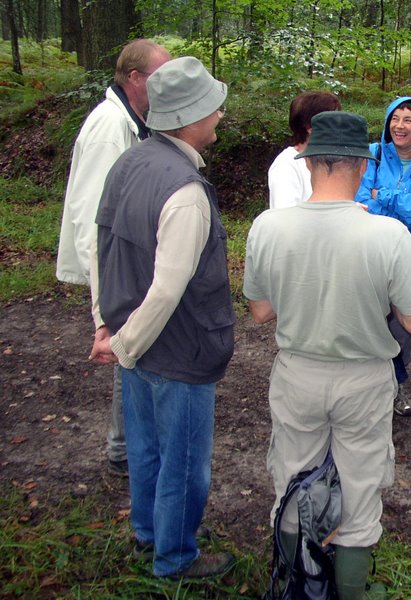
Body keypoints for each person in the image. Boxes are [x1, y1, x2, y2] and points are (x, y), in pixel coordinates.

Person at [244, 111, 411, 599]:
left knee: (291, 475)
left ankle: (292, 584)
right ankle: (350, 590)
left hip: (297, 372)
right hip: (364, 380)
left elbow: (261, 311)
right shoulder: (387, 235)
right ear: (363, 162)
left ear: (307, 163)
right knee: (360, 483)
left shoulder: (267, 227)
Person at [89, 56, 236, 579]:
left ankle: (150, 534)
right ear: (192, 116)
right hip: (178, 352)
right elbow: (167, 289)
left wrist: (106, 326)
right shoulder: (186, 193)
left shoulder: (128, 163)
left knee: (148, 449)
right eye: (213, 107)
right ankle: (175, 558)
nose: (220, 115)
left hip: (137, 345)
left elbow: (99, 247)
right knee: (183, 461)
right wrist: (123, 342)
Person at [56, 38, 171, 477]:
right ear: (135, 78)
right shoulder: (110, 128)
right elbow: (94, 219)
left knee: (137, 350)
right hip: (119, 269)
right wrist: (103, 310)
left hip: (132, 263)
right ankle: (124, 450)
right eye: (159, 77)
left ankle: (125, 447)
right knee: (132, 347)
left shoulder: (134, 122)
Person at [355, 96, 411, 416]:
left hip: (408, 252)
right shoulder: (373, 154)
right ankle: (366, 384)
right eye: (395, 118)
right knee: (368, 316)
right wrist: (406, 199)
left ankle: (397, 384)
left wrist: (387, 196)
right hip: (370, 247)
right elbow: (362, 199)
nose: (399, 126)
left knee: (403, 322)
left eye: (409, 120)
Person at [267, 91, 341, 209]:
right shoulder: (287, 165)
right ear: (310, 127)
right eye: (334, 121)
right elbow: (286, 217)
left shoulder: (328, 160)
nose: (339, 126)